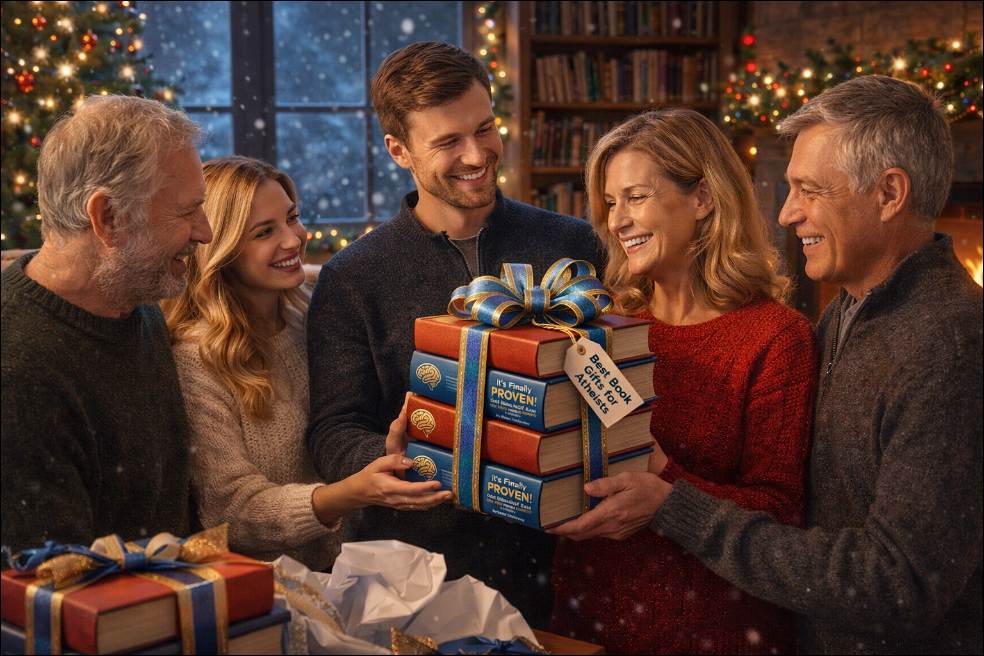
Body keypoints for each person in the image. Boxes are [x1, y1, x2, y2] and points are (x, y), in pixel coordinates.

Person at [554, 76, 983, 655]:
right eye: (610, 202)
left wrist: (670, 497)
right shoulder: (847, 315)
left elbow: (897, 581)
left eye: (809, 190)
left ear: (888, 194)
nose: (785, 214)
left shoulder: (946, 343)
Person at [305, 41, 603, 625]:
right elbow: (334, 426)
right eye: (447, 142)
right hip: (418, 570)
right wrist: (381, 461)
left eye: (485, 128)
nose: (478, 154)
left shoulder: (571, 245)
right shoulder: (352, 277)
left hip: (561, 554)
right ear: (399, 151)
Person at [546, 108, 816, 654]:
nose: (617, 220)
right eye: (611, 202)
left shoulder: (776, 336)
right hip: (584, 616)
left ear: (703, 198)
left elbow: (781, 513)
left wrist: (665, 486)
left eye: (637, 196)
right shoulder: (598, 324)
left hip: (713, 630)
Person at [162, 156, 450, 571]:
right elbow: (232, 512)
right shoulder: (197, 362)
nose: (294, 239)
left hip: (356, 571)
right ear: (219, 248)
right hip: (268, 591)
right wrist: (349, 494)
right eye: (265, 232)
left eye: (292, 218)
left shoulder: (314, 313)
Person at [1, 95, 212, 553]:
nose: (205, 231)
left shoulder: (137, 302)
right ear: (108, 218)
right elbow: (51, 589)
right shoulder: (18, 370)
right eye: (185, 211)